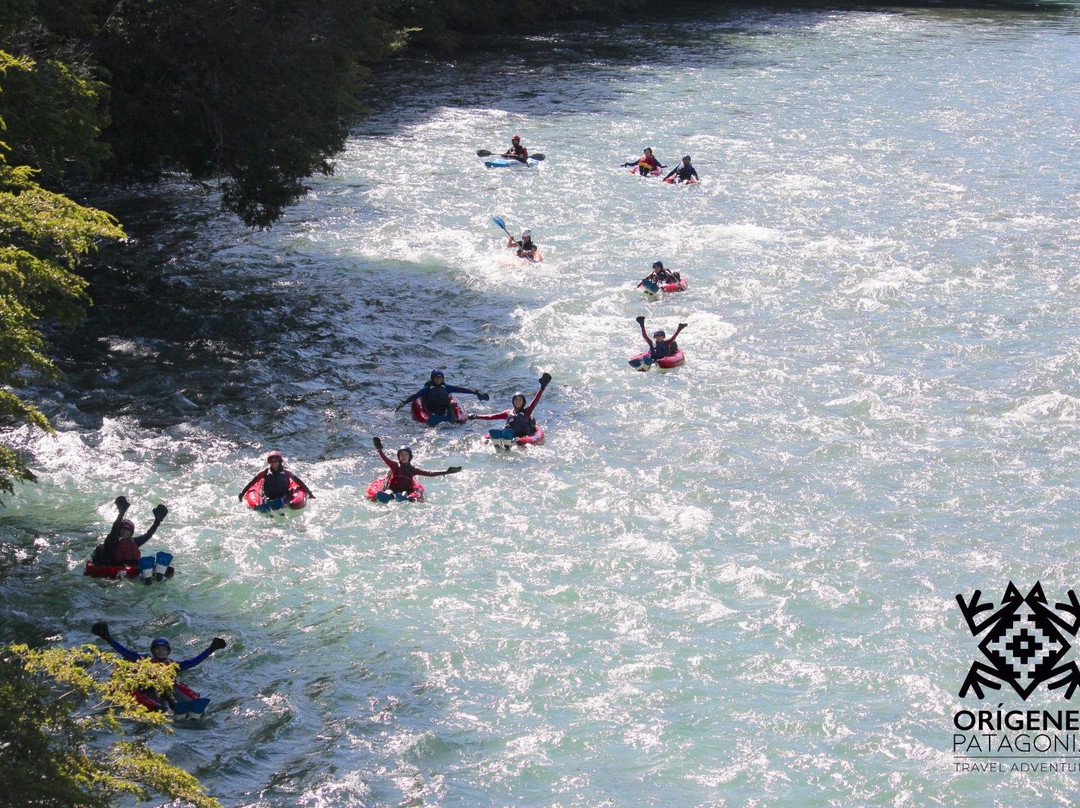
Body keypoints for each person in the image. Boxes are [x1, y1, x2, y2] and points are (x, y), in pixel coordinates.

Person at [90, 621, 226, 712]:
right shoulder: (143, 659)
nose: (161, 652)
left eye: (164, 650)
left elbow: (193, 662)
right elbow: (124, 651)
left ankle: (184, 704)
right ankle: (167, 707)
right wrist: (108, 638)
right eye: (158, 649)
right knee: (162, 704)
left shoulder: (172, 665)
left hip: (166, 689)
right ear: (153, 650)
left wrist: (211, 649)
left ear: (168, 652)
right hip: (148, 690)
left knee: (172, 687)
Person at [371, 437, 462, 502]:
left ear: (410, 457)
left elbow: (429, 473)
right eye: (401, 455)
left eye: (406, 454)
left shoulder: (413, 470)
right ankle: (387, 497)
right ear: (398, 457)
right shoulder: (394, 466)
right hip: (393, 488)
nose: (404, 457)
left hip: (406, 490)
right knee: (388, 491)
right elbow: (385, 459)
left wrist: (446, 472)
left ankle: (404, 498)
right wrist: (379, 450)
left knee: (403, 494)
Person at [469, 373, 551, 439]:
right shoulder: (508, 412)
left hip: (522, 436)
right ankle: (501, 440)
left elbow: (535, 401)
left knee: (507, 433)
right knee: (493, 432)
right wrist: (476, 416)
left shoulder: (527, 412)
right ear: (513, 401)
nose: (517, 401)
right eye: (515, 399)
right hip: (509, 434)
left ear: (523, 402)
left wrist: (542, 388)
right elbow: (491, 416)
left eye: (520, 400)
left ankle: (507, 439)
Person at [90, 496, 168, 566]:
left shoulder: (133, 542)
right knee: (112, 539)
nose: (125, 532)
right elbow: (115, 528)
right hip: (109, 564)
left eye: (128, 531)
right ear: (119, 531)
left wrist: (157, 522)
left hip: (126, 566)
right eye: (123, 530)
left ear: (131, 533)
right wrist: (121, 514)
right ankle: (122, 512)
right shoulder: (113, 540)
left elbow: (148, 535)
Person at [395, 370, 489, 417]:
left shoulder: (446, 387)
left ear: (443, 379)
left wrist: (475, 392)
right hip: (431, 409)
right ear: (432, 379)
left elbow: (460, 389)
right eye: (436, 378)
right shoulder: (427, 388)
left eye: (440, 378)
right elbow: (416, 395)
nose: (438, 380)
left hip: (443, 409)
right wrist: (404, 402)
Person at [238, 451, 314, 506]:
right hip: (269, 496)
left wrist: (309, 493)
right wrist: (242, 494)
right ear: (269, 463)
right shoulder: (264, 472)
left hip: (283, 496)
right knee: (264, 503)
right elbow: (252, 483)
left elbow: (299, 482)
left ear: (279, 462)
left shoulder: (286, 472)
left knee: (282, 502)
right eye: (271, 462)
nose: (273, 464)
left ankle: (280, 504)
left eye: (275, 462)